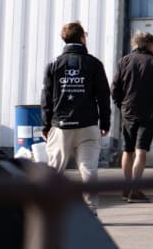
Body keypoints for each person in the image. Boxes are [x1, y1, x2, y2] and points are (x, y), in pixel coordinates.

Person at [40, 21, 112, 213]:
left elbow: (46, 98)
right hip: (88, 124)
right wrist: (105, 122)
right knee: (88, 168)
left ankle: (47, 209)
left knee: (54, 169)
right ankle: (92, 208)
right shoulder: (94, 64)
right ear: (82, 37)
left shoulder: (54, 64)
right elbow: (104, 96)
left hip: (61, 125)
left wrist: (46, 125)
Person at [111, 31, 153, 202]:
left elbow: (115, 88)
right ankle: (136, 190)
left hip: (128, 110)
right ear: (151, 44)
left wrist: (120, 105)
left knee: (127, 149)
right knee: (141, 150)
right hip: (149, 111)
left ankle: (126, 187)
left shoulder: (124, 61)